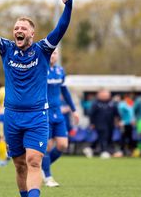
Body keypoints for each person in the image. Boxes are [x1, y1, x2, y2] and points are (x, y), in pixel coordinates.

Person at [0, 0, 73, 197]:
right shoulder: (5, 49)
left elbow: (61, 28)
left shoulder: (43, 50)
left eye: (23, 28)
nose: (18, 30)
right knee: (20, 165)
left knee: (34, 161)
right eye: (16, 28)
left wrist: (68, 5)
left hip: (37, 116)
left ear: (32, 33)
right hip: (11, 116)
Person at [42, 50, 79, 187]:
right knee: (47, 146)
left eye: (55, 53)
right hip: (44, 113)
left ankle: (41, 167)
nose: (53, 55)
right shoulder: (40, 68)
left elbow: (65, 91)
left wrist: (74, 110)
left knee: (63, 145)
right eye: (51, 53)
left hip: (58, 114)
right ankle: (48, 177)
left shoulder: (60, 70)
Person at [84, 89, 120, 158]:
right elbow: (91, 114)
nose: (106, 96)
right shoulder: (96, 103)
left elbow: (117, 113)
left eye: (107, 94)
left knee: (106, 137)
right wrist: (92, 123)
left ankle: (90, 148)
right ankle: (104, 152)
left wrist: (118, 121)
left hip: (110, 124)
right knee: (104, 136)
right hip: (99, 124)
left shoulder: (112, 103)